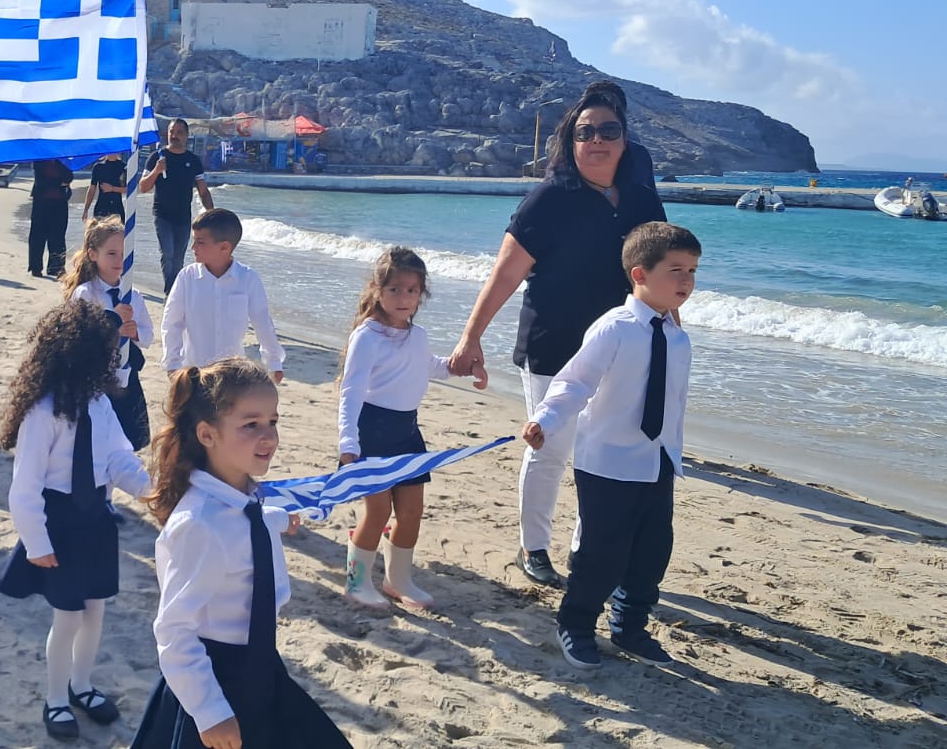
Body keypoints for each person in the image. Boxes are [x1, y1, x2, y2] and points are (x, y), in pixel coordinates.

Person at [447, 88, 665, 589]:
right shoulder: (548, 199)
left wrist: (669, 333)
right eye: (585, 132)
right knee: (549, 447)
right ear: (570, 142)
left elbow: (658, 275)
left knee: (601, 456)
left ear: (625, 140)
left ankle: (586, 552)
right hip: (553, 345)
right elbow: (504, 275)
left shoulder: (642, 199)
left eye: (608, 130)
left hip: (621, 349)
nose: (597, 140)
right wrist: (470, 338)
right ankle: (534, 546)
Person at [131, 358, 350, 749]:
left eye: (273, 422)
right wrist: (210, 711)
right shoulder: (199, 525)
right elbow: (174, 630)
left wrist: (277, 519)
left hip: (260, 667)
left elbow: (247, 519)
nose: (269, 437)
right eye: (251, 425)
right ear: (207, 434)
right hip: (215, 680)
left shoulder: (246, 503)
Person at [523, 222, 701, 669]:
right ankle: (576, 624)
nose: (686, 280)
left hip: (657, 461)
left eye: (693, 271)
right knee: (601, 553)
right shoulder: (614, 328)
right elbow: (574, 382)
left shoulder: (677, 337)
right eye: (676, 270)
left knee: (651, 552)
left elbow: (673, 403)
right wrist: (545, 419)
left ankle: (630, 626)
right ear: (640, 274)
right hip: (608, 463)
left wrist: (673, 454)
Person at [0, 301, 151, 740]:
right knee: (67, 617)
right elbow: (25, 486)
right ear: (79, 353)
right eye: (107, 352)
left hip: (96, 520)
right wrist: (37, 543)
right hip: (58, 522)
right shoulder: (43, 411)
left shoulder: (100, 404)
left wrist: (150, 490)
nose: (113, 359)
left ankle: (81, 685)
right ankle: (56, 698)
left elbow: (119, 458)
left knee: (95, 610)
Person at [337, 248, 484, 610]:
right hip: (370, 431)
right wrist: (348, 441)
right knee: (377, 512)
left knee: (411, 511)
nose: (404, 298)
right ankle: (357, 582)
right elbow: (351, 391)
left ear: (422, 294)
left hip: (407, 432)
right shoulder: (367, 336)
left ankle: (397, 579)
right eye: (395, 289)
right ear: (377, 291)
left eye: (412, 290)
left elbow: (431, 367)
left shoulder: (417, 335)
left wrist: (463, 368)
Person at [59, 215, 153, 450]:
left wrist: (134, 332)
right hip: (96, 375)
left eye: (123, 254)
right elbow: (79, 334)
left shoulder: (133, 295)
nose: (119, 260)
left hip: (126, 374)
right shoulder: (86, 293)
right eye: (111, 253)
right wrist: (113, 323)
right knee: (96, 434)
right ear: (93, 254)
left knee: (127, 437)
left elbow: (148, 336)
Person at [160, 208, 285, 384]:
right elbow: (172, 323)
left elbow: (262, 322)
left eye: (200, 242)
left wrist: (273, 362)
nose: (193, 247)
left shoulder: (248, 278)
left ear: (224, 247)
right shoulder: (187, 277)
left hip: (232, 374)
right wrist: (172, 363)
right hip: (195, 372)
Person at [139, 119, 214, 292]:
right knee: (168, 254)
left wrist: (212, 214)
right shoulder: (157, 157)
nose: (175, 135)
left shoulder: (193, 161)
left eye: (179, 132)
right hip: (162, 215)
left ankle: (174, 292)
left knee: (178, 258)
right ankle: (170, 292)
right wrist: (157, 171)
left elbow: (203, 191)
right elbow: (143, 187)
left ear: (187, 135)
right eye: (172, 132)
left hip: (183, 217)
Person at [28, 158, 74, 278]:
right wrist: (60, 183)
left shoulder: (63, 161)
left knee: (58, 236)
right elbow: (41, 181)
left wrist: (61, 182)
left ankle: (56, 268)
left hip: (60, 203)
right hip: (41, 202)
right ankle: (36, 267)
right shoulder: (39, 161)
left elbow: (69, 177)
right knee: (38, 236)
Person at [81, 153, 127, 222]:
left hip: (117, 208)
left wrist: (112, 188)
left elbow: (128, 189)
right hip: (101, 207)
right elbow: (92, 189)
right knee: (99, 228)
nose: (112, 152)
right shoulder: (98, 167)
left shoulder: (124, 167)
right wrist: (86, 209)